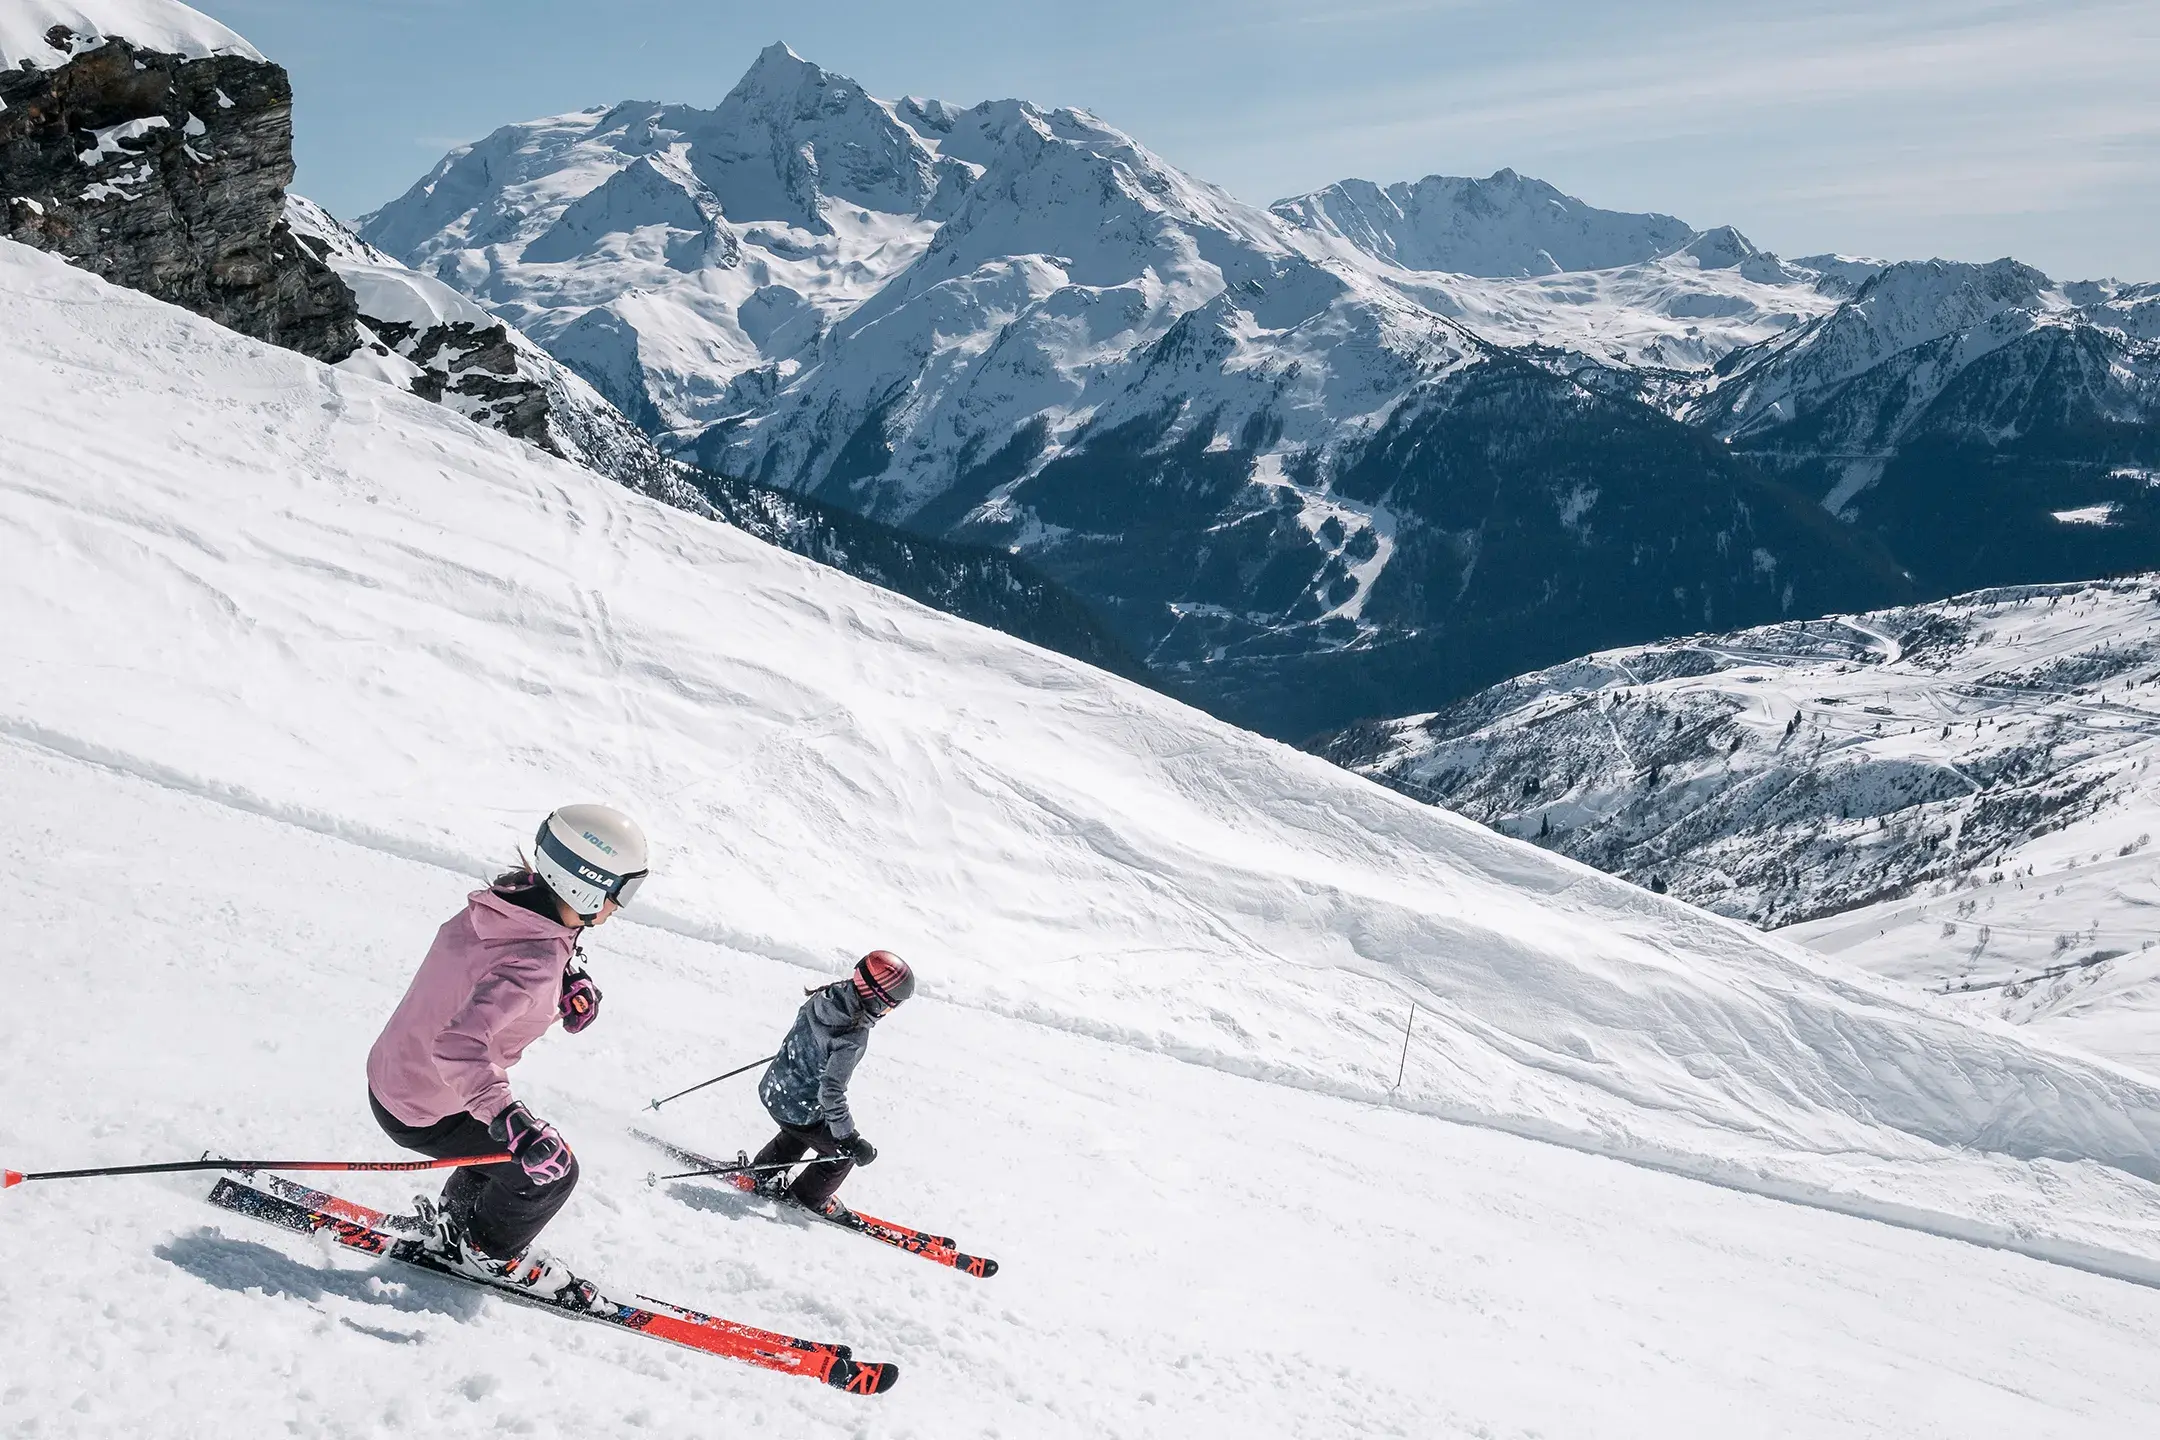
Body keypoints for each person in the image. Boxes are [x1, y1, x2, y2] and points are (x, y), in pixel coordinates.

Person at [365, 804, 649, 1301]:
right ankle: (489, 1254)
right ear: (584, 884)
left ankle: (458, 1227)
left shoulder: (506, 904)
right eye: (620, 891)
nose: (620, 906)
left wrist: (567, 979)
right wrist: (511, 1120)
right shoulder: (533, 961)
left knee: (501, 1151)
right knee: (550, 1172)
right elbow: (458, 1046)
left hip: (398, 1073)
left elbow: (500, 965)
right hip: (424, 1104)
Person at [751, 950, 915, 1220]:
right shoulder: (852, 1036)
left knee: (801, 1130)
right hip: (798, 1105)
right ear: (878, 998)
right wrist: (849, 1139)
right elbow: (831, 1092)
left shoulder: (828, 995)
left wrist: (804, 1056)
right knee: (839, 1154)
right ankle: (806, 1198)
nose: (890, 1011)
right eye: (892, 1005)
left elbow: (807, 1036)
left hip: (773, 1087)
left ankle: (761, 1173)